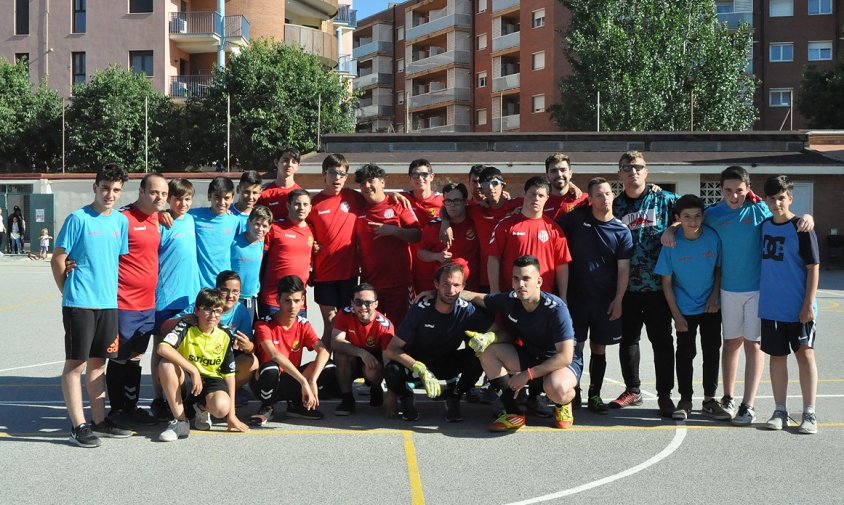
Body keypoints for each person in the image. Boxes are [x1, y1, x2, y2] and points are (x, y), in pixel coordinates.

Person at [663, 166, 813, 425]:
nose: (734, 196)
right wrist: (672, 227)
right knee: (730, 343)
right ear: (721, 190)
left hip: (757, 290)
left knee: (753, 345)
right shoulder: (712, 214)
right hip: (726, 291)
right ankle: (728, 397)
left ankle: (748, 403)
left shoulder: (761, 211)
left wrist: (808, 217)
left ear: (748, 189)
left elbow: (786, 213)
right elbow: (691, 220)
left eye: (739, 191)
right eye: (728, 191)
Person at [51, 163, 133, 447]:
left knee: (99, 364)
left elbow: (114, 260)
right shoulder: (78, 218)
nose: (110, 194)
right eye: (106, 188)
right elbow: (58, 258)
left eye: (116, 190)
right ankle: (78, 425)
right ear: (95, 187)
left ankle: (99, 421)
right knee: (76, 364)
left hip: (108, 303)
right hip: (80, 304)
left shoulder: (120, 222)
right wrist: (69, 292)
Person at [459, 255, 581, 431]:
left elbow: (565, 356)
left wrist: (527, 375)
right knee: (487, 351)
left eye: (526, 279)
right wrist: (439, 292)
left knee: (557, 388)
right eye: (516, 279)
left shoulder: (556, 309)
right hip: (531, 356)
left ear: (539, 281)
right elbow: (478, 298)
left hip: (559, 363)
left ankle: (564, 404)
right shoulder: (510, 299)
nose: (520, 284)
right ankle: (513, 413)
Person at [611, 150, 679, 417]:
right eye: (627, 167)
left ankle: (665, 395)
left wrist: (673, 226)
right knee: (628, 340)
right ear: (620, 174)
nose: (633, 172)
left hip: (659, 287)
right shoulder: (614, 206)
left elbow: (698, 211)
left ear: (646, 171)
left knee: (662, 342)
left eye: (638, 167)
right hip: (626, 288)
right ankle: (633, 390)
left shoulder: (664, 199)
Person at [557, 178, 632, 413]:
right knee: (575, 349)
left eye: (608, 194)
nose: (605, 198)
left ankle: (595, 395)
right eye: (599, 195)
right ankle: (574, 392)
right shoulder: (577, 219)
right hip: (576, 299)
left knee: (599, 348)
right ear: (590, 199)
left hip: (605, 302)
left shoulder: (621, 230)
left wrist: (618, 300)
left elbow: (623, 270)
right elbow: (550, 227)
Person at [384, 263, 493, 422]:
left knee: (478, 358)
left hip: (445, 363)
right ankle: (406, 398)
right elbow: (392, 349)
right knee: (391, 371)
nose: (450, 290)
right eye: (445, 284)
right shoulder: (420, 308)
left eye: (456, 285)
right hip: (416, 364)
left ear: (463, 287)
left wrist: (489, 337)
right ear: (436, 285)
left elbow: (500, 331)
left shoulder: (467, 309)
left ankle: (454, 396)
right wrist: (420, 369)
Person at [654, 195, 728, 420]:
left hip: (710, 307)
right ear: (678, 218)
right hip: (684, 309)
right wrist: (677, 316)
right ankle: (685, 399)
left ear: (703, 217)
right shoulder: (671, 242)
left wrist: (714, 298)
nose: (693, 221)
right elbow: (666, 283)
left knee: (712, 351)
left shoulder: (712, 238)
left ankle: (709, 399)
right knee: (685, 354)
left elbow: (718, 270)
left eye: (697, 216)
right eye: (687, 217)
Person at [106, 172, 168, 428]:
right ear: (141, 192)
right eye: (154, 192)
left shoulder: (159, 218)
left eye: (163, 194)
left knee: (135, 357)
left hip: (147, 304)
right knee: (119, 358)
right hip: (124, 304)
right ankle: (117, 410)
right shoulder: (122, 219)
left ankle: (131, 407)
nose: (159, 197)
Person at [759, 175, 820, 434]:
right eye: (771, 198)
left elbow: (813, 267)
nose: (777, 203)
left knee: (805, 356)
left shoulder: (802, 228)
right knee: (777, 357)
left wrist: (808, 304)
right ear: (765, 200)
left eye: (781, 198)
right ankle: (780, 410)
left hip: (798, 307)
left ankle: (809, 413)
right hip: (772, 307)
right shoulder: (763, 226)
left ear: (790, 198)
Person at [157, 288, 250, 441]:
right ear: (196, 311)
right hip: (186, 379)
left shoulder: (225, 334)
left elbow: (229, 375)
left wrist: (232, 415)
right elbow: (162, 348)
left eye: (217, 311)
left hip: (210, 381)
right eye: (207, 310)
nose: (212, 315)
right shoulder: (185, 326)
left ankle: (201, 408)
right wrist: (193, 370)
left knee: (221, 408)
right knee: (166, 365)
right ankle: (181, 422)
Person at [149, 178, 201, 420]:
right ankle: (159, 399)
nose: (183, 203)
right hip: (164, 298)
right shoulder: (160, 222)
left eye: (187, 199)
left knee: (185, 349)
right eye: (178, 198)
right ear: (169, 199)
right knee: (161, 349)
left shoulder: (191, 219)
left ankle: (184, 396)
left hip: (189, 297)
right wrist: (158, 214)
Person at [251, 275, 331, 425]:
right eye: (287, 300)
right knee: (271, 368)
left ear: (302, 301)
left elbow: (324, 351)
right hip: (266, 380)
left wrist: (312, 379)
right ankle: (267, 407)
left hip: (290, 379)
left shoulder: (303, 324)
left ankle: (296, 405)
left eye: (296, 301)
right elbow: (274, 355)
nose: (292, 306)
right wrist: (303, 381)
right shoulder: (264, 324)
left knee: (329, 366)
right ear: (278, 300)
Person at [355, 163, 421, 326]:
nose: (367, 186)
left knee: (399, 330)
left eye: (371, 181)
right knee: (371, 331)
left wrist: (393, 231)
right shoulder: (358, 208)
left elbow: (417, 235)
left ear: (382, 182)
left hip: (398, 284)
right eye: (363, 183)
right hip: (370, 285)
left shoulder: (398, 204)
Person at [308, 154, 364, 349]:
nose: (337, 177)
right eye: (333, 173)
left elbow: (378, 199)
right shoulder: (313, 204)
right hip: (324, 275)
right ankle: (325, 368)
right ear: (324, 174)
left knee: (346, 326)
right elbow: (305, 234)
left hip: (349, 274)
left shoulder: (354, 198)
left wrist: (398, 195)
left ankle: (343, 372)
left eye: (342, 173)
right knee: (331, 324)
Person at [488, 176, 571, 297]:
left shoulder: (554, 229)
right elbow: (493, 258)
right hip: (512, 295)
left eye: (541, 196)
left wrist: (563, 296)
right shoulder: (506, 225)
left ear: (547, 198)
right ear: (524, 194)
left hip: (543, 296)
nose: (536, 199)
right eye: (532, 194)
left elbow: (561, 264)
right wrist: (494, 290)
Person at [331, 283, 395, 416]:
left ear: (376, 304)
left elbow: (388, 361)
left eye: (368, 303)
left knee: (372, 368)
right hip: (354, 357)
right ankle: (347, 399)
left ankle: (376, 388)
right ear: (352, 303)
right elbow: (336, 342)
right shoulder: (345, 313)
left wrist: (391, 393)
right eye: (358, 302)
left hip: (373, 362)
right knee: (340, 356)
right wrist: (361, 353)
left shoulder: (385, 325)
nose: (363, 307)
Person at [258, 189, 314, 318]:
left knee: (296, 339)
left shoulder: (312, 231)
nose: (301, 208)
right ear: (288, 205)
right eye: (297, 204)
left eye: (305, 205)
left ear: (310, 208)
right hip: (273, 300)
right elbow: (259, 259)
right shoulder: (274, 228)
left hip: (298, 303)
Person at [417, 182, 481, 292]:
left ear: (465, 202)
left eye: (456, 201)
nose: (452, 205)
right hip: (445, 291)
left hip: (473, 289)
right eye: (448, 201)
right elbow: (421, 253)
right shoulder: (434, 226)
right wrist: (436, 256)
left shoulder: (476, 220)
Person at [403, 159, 445, 293]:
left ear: (432, 177)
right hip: (411, 269)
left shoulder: (444, 201)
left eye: (424, 175)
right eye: (415, 175)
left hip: (437, 266)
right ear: (410, 178)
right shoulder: (402, 200)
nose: (420, 178)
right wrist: (393, 194)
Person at [231, 205, 272, 321]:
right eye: (257, 224)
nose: (260, 229)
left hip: (251, 299)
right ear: (248, 222)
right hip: (232, 299)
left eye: (264, 226)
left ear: (269, 228)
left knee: (247, 335)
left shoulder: (261, 243)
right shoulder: (234, 243)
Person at [257, 146, 303, 221]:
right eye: (286, 160)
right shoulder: (264, 193)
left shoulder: (301, 195)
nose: (289, 164)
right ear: (276, 162)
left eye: (294, 162)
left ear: (298, 166)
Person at [543, 153, 587, 221]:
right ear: (547, 176)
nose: (559, 174)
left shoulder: (585, 199)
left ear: (570, 174)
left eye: (563, 170)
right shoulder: (540, 202)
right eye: (554, 171)